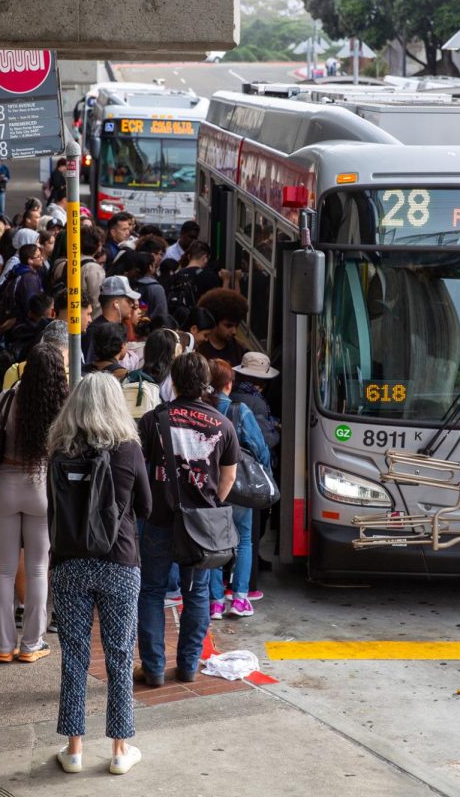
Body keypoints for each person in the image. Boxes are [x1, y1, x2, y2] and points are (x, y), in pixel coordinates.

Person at [48, 374, 151, 776]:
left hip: (69, 562)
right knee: (120, 656)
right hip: (120, 562)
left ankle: (73, 750)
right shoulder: (128, 450)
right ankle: (120, 750)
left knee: (74, 657)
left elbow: (51, 511)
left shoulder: (58, 452)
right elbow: (146, 506)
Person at [135, 353, 238, 686]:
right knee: (196, 594)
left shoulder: (153, 420)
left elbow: (139, 468)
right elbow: (229, 477)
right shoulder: (222, 424)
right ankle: (189, 666)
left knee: (151, 591)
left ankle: (152, 669)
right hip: (201, 527)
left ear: (173, 382)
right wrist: (210, 506)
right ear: (205, 383)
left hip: (159, 520)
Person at [0, 344, 68, 664]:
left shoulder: (7, 398)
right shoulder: (61, 403)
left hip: (5, 485)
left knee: (4, 570)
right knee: (37, 569)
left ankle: (3, 646)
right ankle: (31, 645)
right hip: (42, 487)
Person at [205, 359, 269, 620]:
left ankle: (215, 602)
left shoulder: (200, 408)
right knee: (244, 540)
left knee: (214, 542)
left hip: (209, 484)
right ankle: (240, 599)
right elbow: (260, 448)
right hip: (239, 486)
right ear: (229, 385)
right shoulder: (239, 410)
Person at [84, 275, 140, 362]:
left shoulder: (118, 327)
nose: (132, 305)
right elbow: (90, 365)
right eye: (129, 301)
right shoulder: (95, 330)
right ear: (116, 304)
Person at [196, 288, 249, 367]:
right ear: (213, 322)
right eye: (228, 326)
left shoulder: (240, 350)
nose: (234, 331)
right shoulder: (198, 349)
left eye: (236, 326)